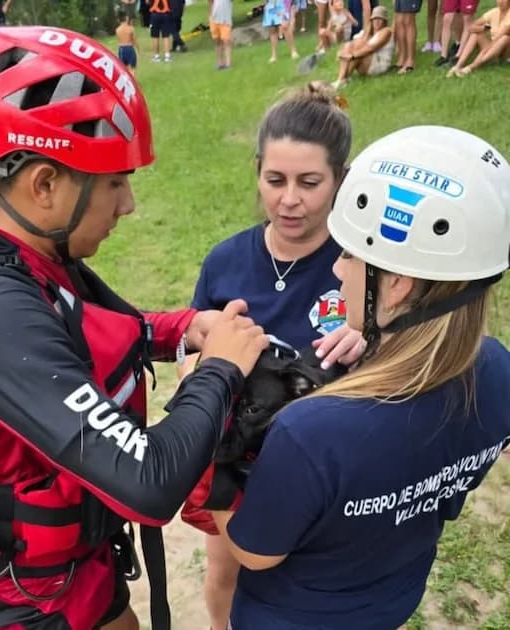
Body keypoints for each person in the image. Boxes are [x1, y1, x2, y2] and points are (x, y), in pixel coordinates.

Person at [0, 26, 272, 630]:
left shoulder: (5, 241)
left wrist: (185, 329)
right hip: (31, 596)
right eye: (115, 183)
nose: (128, 206)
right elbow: (149, 481)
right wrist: (221, 369)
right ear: (44, 185)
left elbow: (83, 328)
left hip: (72, 563)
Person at [194, 125, 510, 629]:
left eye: (347, 255)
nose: (337, 271)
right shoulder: (497, 369)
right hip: (390, 598)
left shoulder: (314, 431)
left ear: (399, 284)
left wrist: (214, 442)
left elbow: (254, 554)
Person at [177, 81, 367, 630]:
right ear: (257, 170)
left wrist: (368, 340)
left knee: (310, 580)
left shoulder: (359, 267)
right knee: (226, 570)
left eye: (310, 183)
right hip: (239, 458)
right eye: (275, 179)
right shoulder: (226, 262)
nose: (290, 199)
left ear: (339, 180)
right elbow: (194, 350)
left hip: (327, 462)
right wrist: (202, 368)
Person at [332, 6, 394, 89]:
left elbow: (371, 48)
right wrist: (342, 51)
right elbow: (353, 44)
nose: (377, 21)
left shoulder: (386, 31)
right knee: (349, 45)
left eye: (380, 19)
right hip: (368, 62)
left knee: (358, 50)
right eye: (375, 19)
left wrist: (352, 55)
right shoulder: (367, 33)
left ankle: (343, 80)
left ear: (385, 21)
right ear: (371, 20)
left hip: (379, 65)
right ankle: (341, 80)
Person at [447, 0, 510, 76]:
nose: (500, 2)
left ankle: (472, 67)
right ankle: (458, 66)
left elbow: (497, 39)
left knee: (505, 38)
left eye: (504, 0)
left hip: (505, 51)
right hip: (493, 48)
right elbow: (471, 27)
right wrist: (484, 28)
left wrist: (483, 52)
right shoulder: (494, 12)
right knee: (475, 34)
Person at [209, 0, 235, 68]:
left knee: (226, 41)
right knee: (217, 42)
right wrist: (210, 17)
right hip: (214, 20)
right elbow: (211, 3)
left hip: (225, 21)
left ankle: (228, 63)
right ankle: (220, 63)